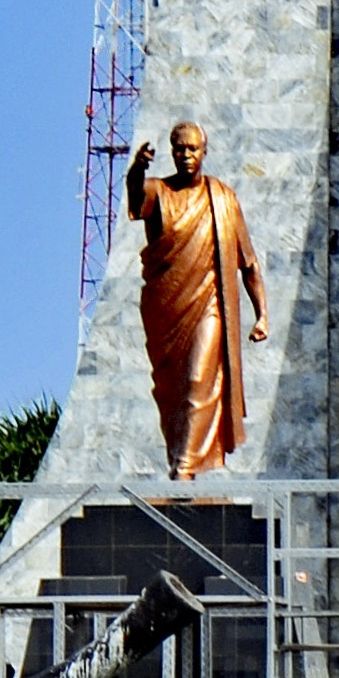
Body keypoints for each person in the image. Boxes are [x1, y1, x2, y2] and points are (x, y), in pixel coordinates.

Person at [128, 122, 269, 478]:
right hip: (166, 309)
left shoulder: (222, 199)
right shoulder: (158, 192)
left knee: (197, 378)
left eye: (193, 149)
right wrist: (137, 168)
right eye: (180, 149)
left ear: (204, 151)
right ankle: (180, 456)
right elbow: (135, 197)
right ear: (173, 152)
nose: (186, 156)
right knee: (171, 392)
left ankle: (184, 468)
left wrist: (262, 315)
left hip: (209, 305)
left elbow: (247, 262)